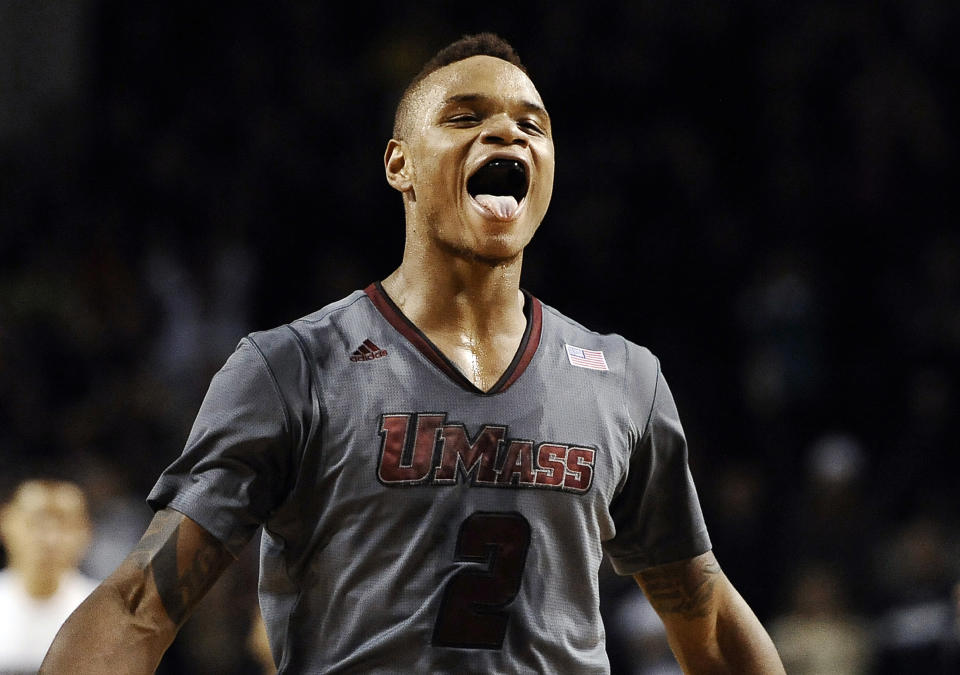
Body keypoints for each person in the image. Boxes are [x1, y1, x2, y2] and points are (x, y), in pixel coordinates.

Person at [41, 33, 784, 673]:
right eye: (466, 117)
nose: (508, 134)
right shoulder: (294, 366)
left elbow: (708, 620)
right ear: (399, 164)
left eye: (533, 123)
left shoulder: (625, 380)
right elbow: (139, 605)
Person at [0, 479, 98, 673]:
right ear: (6, 522)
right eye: (35, 523)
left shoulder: (107, 612)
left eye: (65, 524)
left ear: (86, 531)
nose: (49, 539)